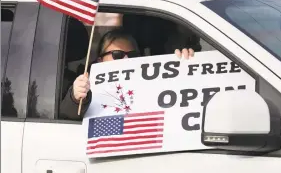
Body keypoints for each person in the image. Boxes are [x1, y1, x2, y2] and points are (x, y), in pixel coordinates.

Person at [59, 28, 195, 120]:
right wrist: (76, 98)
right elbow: (66, 117)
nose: (126, 59)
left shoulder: (152, 81)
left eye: (132, 54)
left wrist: (184, 67)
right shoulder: (87, 84)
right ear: (100, 60)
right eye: (117, 54)